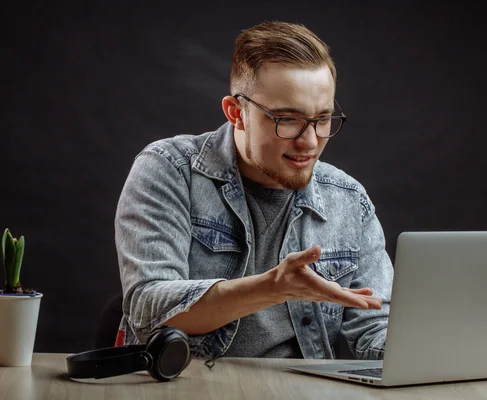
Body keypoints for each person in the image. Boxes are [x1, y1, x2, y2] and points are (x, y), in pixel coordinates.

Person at [114, 21, 393, 361]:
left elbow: (377, 329)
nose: (309, 142)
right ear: (237, 113)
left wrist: (436, 349)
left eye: (322, 119)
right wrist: (273, 289)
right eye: (287, 119)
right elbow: (148, 311)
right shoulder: (168, 170)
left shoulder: (348, 201)